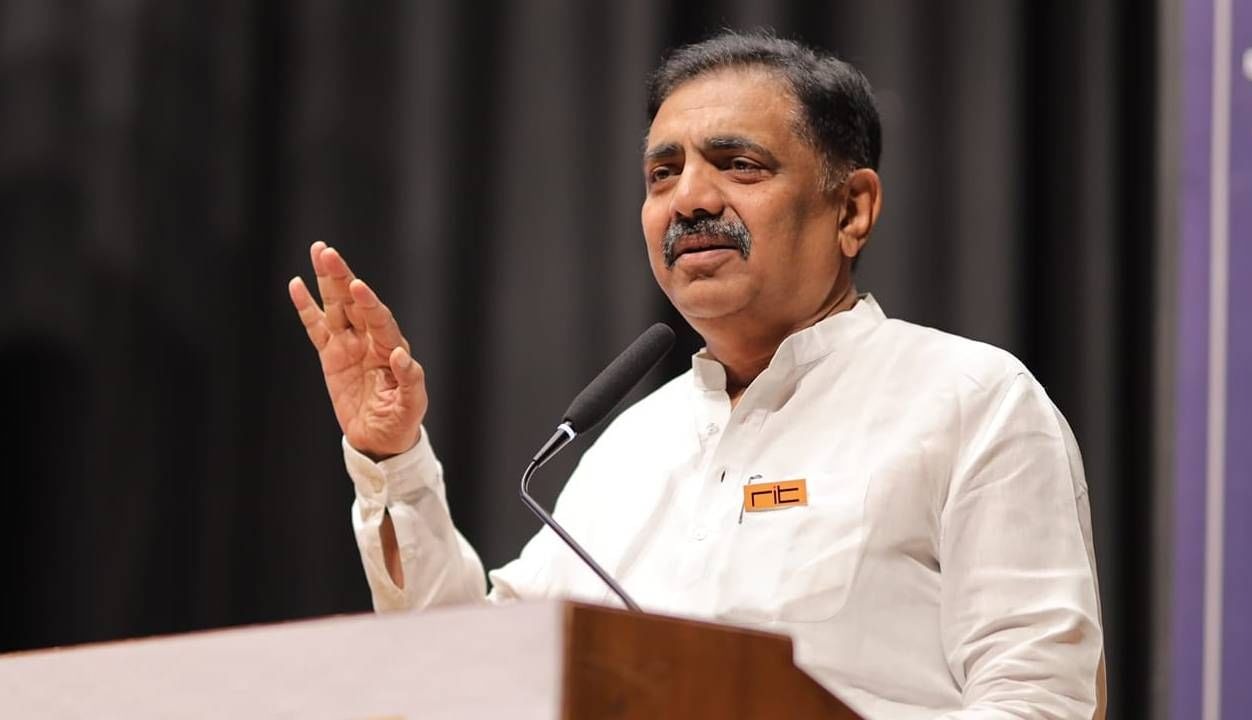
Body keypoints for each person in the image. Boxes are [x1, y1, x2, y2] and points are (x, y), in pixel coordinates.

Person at [288, 31, 1105, 720]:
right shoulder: (632, 447)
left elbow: (1040, 701)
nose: (688, 200)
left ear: (851, 208)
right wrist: (394, 459)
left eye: (738, 164)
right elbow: (477, 677)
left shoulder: (970, 400)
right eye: (662, 173)